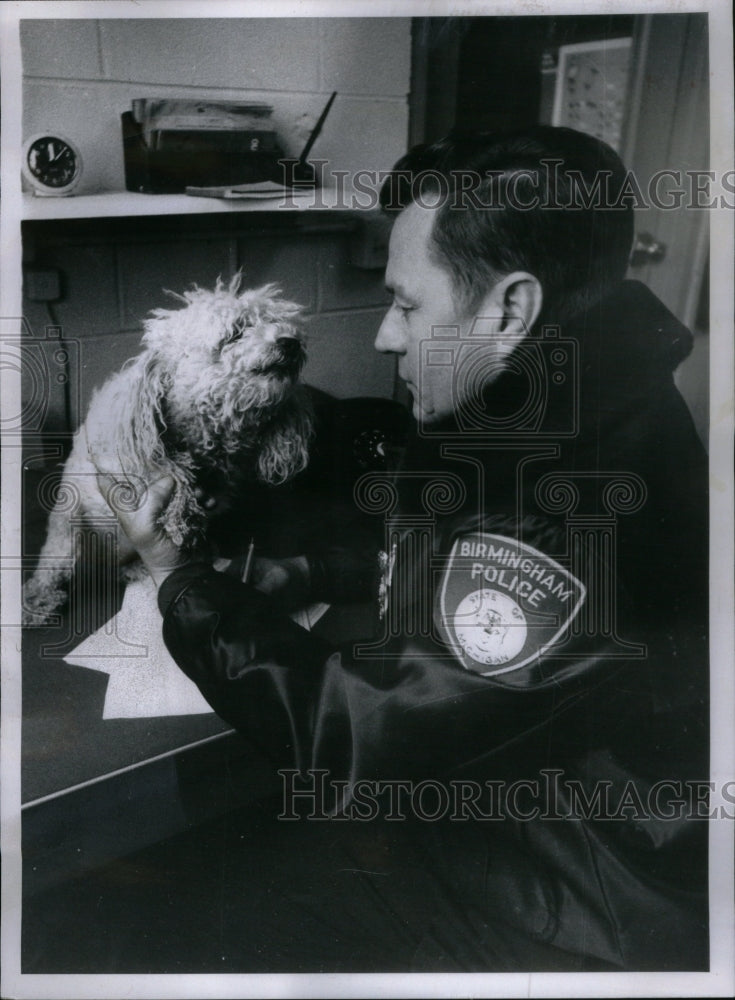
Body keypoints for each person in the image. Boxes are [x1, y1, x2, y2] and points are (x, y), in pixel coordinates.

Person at [94, 126, 709, 972]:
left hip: (567, 910)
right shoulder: (579, 409)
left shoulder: (569, 499)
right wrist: (310, 571)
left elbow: (357, 740)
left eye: (409, 304)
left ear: (511, 309)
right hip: (540, 842)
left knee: (198, 920)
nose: (386, 336)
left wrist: (179, 579)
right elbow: (472, 571)